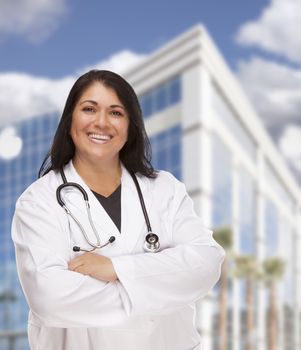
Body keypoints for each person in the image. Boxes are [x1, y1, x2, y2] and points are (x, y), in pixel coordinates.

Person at [12, 69, 225, 350]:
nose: (101, 123)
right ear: (69, 121)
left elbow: (206, 263)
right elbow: (49, 297)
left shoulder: (165, 189)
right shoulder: (38, 202)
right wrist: (161, 287)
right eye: (89, 109)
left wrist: (116, 268)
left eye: (116, 113)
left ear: (130, 126)